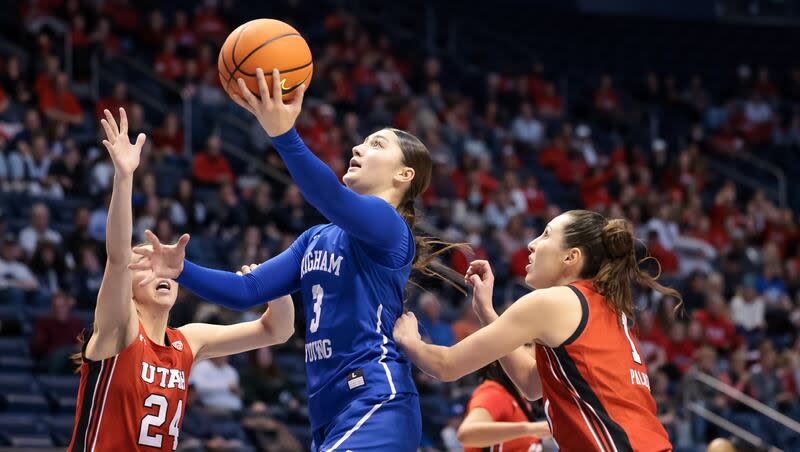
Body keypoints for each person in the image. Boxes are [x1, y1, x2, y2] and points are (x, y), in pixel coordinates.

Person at [132, 69, 458, 451]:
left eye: (376, 145)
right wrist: (181, 269)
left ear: (404, 175)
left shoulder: (389, 227)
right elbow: (246, 290)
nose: (358, 149)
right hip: (327, 408)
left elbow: (330, 198)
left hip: (376, 398)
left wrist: (284, 135)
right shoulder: (316, 238)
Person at [68, 109, 294, 451]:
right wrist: (124, 176)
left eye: (164, 266)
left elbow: (279, 330)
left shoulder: (187, 342)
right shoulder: (120, 328)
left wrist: (271, 286)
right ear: (125, 289)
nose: (159, 271)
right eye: (145, 263)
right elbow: (116, 258)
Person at [394, 210, 679, 451]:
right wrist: (487, 313)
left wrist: (410, 340)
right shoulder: (608, 309)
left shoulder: (554, 301)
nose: (531, 243)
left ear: (571, 257)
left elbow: (447, 366)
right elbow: (532, 385)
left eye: (545, 235)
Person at [458, 358, 551, 452]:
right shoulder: (493, 393)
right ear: (496, 360)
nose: (534, 352)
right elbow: (466, 433)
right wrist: (531, 429)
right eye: (527, 346)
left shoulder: (518, 397)